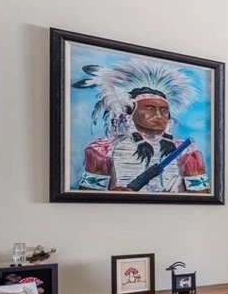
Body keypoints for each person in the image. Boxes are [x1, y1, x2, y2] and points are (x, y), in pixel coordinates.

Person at [73, 57, 208, 193]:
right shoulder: (103, 150)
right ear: (130, 113)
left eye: (164, 110)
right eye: (150, 108)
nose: (159, 115)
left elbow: (201, 195)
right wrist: (114, 195)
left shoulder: (187, 150)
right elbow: (88, 195)